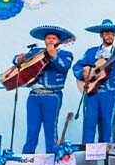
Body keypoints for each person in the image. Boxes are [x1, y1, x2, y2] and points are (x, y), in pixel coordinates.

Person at [72, 19, 115, 144]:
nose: (110, 36)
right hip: (92, 93)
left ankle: (106, 156)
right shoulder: (91, 52)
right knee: (89, 124)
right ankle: (87, 154)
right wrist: (84, 74)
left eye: (112, 34)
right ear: (101, 35)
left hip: (109, 93)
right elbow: (76, 67)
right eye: (106, 33)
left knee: (108, 125)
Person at [16, 25, 75, 154]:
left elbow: (64, 67)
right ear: (44, 40)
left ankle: (52, 158)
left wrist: (54, 56)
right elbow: (16, 60)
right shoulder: (35, 52)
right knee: (32, 129)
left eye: (54, 38)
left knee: (50, 129)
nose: (51, 40)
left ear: (59, 41)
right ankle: (27, 159)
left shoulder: (65, 54)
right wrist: (19, 59)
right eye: (48, 38)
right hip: (34, 95)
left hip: (52, 95)